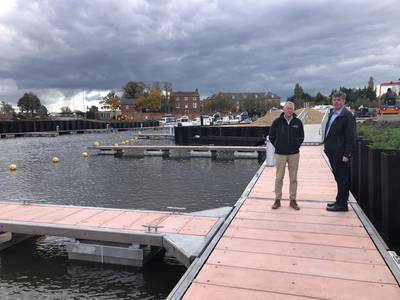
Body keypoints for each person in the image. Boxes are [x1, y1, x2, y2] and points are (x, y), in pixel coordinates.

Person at [324, 91, 356, 212]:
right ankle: (339, 200)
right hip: (332, 152)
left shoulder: (347, 116)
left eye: (339, 100)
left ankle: (342, 205)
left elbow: (351, 137)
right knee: (338, 178)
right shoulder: (333, 113)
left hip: (341, 153)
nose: (336, 102)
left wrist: (347, 154)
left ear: (343, 101)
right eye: (334, 100)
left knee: (343, 178)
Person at [269, 101, 304, 210]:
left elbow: (301, 137)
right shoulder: (277, 122)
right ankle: (277, 200)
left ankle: (293, 201)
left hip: (294, 154)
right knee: (279, 178)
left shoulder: (298, 122)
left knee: (293, 178)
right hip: (280, 154)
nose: (289, 110)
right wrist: (278, 146)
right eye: (287, 108)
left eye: (291, 108)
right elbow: (271, 136)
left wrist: (296, 145)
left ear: (293, 110)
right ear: (283, 109)